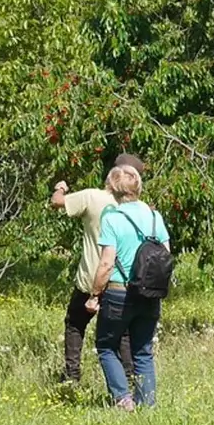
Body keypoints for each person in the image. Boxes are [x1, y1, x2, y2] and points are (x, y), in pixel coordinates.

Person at [50, 153, 142, 384]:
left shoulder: (92, 197)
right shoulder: (138, 209)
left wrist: (60, 188)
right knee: (122, 334)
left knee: (75, 324)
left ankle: (72, 375)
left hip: (91, 276)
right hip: (122, 280)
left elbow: (57, 202)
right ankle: (131, 379)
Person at [87, 164, 170, 410]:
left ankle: (123, 398)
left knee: (106, 345)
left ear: (112, 188)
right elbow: (165, 254)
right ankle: (148, 404)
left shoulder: (113, 218)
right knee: (143, 350)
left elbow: (105, 263)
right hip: (149, 293)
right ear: (138, 188)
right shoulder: (155, 217)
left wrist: (94, 295)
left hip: (118, 293)